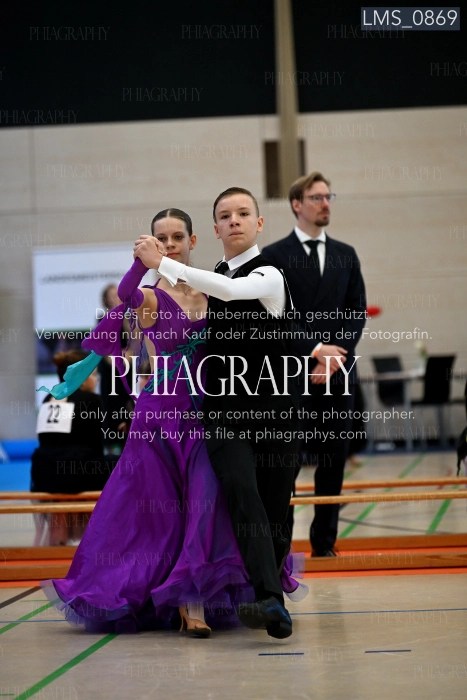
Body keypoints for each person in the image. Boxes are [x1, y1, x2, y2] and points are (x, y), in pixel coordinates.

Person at [41, 207, 302, 637]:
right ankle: (180, 599)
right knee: (156, 507)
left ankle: (197, 594)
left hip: (210, 406)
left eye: (177, 237)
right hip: (162, 412)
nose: (169, 244)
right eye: (160, 238)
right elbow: (125, 294)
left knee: (206, 498)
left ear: (193, 241)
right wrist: (141, 262)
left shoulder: (213, 287)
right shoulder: (149, 295)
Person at [134, 188, 302, 639]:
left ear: (259, 223)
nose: (234, 221)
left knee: (274, 510)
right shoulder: (210, 279)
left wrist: (164, 262)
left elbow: (230, 291)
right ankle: (267, 597)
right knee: (241, 494)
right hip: (224, 412)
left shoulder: (268, 273)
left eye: (243, 213)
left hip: (275, 413)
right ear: (214, 229)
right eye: (225, 216)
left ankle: (270, 593)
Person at [261, 172, 367, 557]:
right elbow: (277, 316)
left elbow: (355, 311)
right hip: (292, 372)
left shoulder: (346, 254)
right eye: (316, 197)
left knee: (333, 459)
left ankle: (325, 543)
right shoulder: (274, 256)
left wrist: (335, 356)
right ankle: (280, 548)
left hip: (338, 373)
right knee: (285, 462)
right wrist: (315, 351)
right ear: (296, 204)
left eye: (328, 197)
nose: (325, 203)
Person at [31, 349, 110, 545]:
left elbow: (45, 440)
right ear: (81, 378)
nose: (97, 379)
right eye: (93, 374)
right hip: (77, 474)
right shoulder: (91, 401)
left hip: (44, 475)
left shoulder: (48, 398)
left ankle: (60, 537)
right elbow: (96, 444)